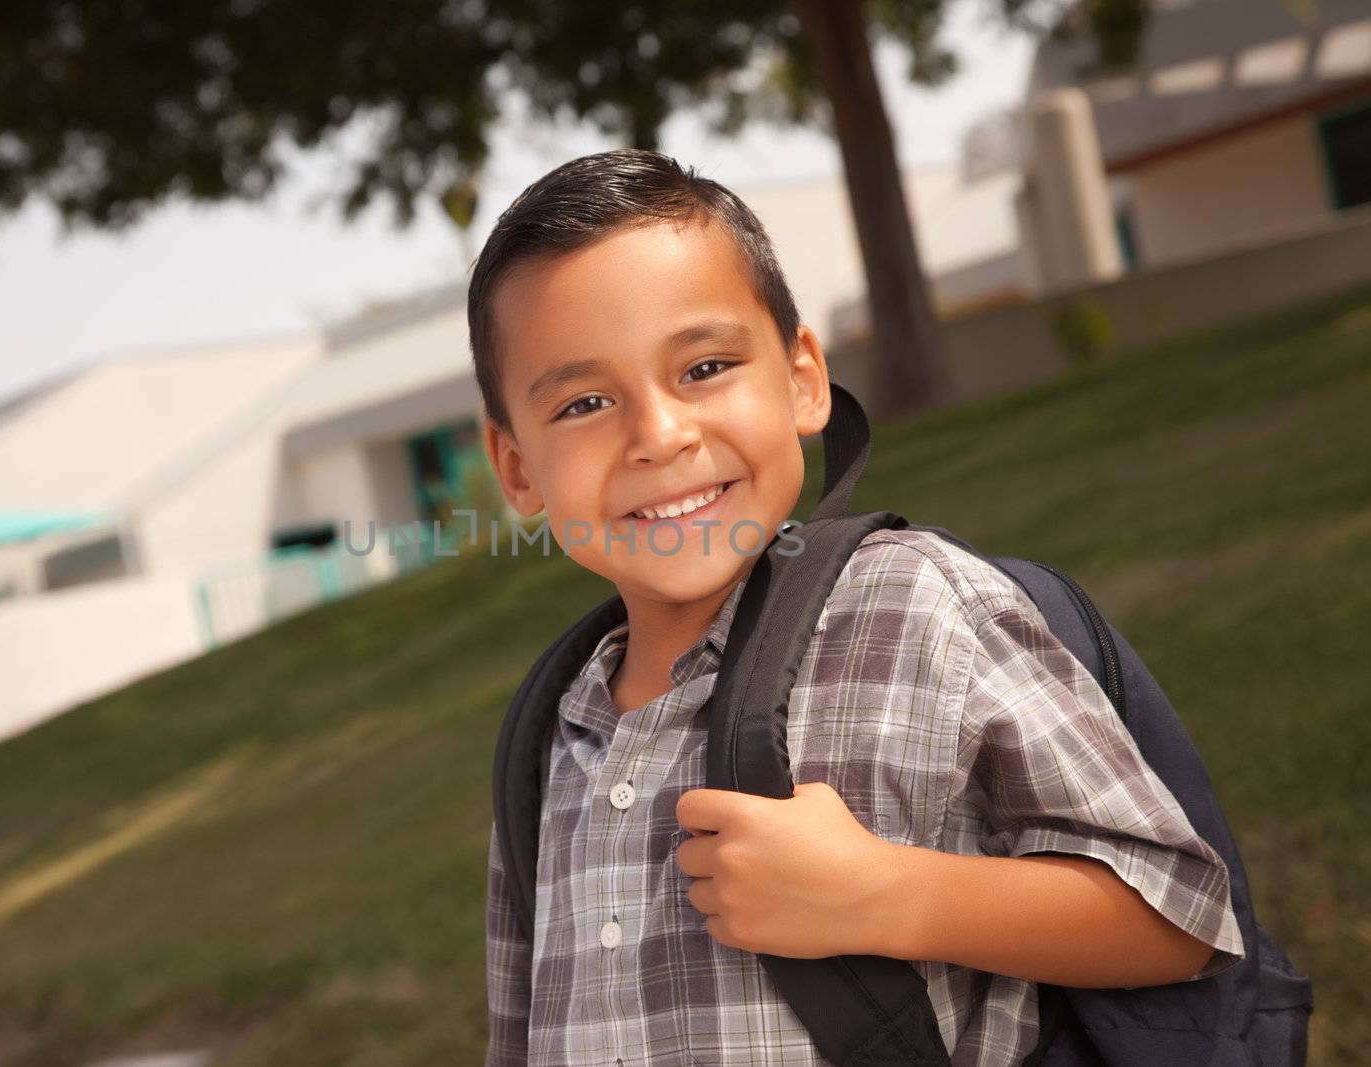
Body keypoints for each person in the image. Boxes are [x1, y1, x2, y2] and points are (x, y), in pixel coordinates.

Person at [471, 149, 1244, 1066]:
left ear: (802, 379)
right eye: (586, 402)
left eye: (705, 366)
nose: (659, 435)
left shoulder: (916, 603)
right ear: (516, 465)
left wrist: (883, 892)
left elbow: (1178, 912)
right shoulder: (551, 731)